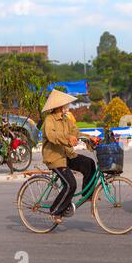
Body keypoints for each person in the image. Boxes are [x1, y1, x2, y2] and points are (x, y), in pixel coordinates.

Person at [41, 89, 99, 223]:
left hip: (67, 155)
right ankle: (55, 211)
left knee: (89, 163)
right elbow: (51, 136)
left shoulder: (66, 119)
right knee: (70, 184)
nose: (66, 107)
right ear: (57, 106)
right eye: (64, 105)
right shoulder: (49, 120)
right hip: (55, 158)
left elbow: (76, 132)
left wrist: (90, 138)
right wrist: (68, 139)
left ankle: (87, 194)